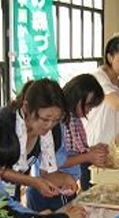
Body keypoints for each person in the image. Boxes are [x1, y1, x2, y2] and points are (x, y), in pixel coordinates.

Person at [0, 78, 77, 210]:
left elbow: (46, 173)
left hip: (10, 193)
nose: (50, 125)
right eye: (45, 119)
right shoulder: (3, 124)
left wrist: (65, 179)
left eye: (56, 120)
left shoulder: (52, 131)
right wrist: (33, 182)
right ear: (26, 107)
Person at [27, 74, 107, 209]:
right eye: (87, 106)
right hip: (49, 189)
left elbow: (70, 152)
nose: (88, 111)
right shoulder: (59, 123)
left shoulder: (72, 121)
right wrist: (88, 156)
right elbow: (55, 162)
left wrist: (91, 151)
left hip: (63, 187)